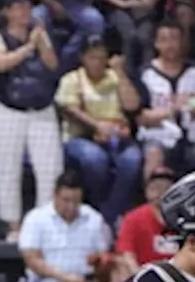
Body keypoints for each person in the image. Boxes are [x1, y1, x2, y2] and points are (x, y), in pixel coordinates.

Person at [0, 0, 63, 242]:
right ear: (7, 11)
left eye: (28, 6)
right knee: (8, 170)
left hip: (41, 110)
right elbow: (0, 63)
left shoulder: (39, 33)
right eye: (19, 6)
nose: (25, 11)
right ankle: (13, 226)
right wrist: (29, 47)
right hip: (8, 111)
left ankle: (43, 226)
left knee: (50, 170)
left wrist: (40, 43)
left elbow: (52, 65)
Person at [19, 170, 113, 282]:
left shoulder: (94, 219)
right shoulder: (37, 218)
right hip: (48, 279)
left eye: (75, 201)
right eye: (65, 200)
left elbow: (103, 255)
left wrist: (96, 271)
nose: (70, 206)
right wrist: (66, 278)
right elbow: (32, 259)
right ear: (55, 195)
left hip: (86, 281)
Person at [55, 35, 144, 224]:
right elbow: (69, 109)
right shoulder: (72, 79)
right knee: (95, 160)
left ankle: (107, 215)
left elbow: (132, 105)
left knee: (132, 159)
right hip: (81, 136)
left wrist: (120, 73)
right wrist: (97, 126)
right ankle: (104, 212)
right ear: (83, 57)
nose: (98, 62)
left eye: (102, 57)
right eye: (93, 57)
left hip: (116, 137)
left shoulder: (115, 77)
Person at [135, 20, 195, 183]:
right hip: (160, 138)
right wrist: (170, 111)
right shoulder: (145, 73)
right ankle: (153, 205)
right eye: (164, 40)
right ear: (156, 44)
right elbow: (140, 117)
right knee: (153, 153)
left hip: (193, 139)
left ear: (182, 42)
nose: (170, 45)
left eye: (174, 39)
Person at [116, 168, 179, 271]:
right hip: (143, 277)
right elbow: (127, 254)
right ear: (146, 191)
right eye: (155, 188)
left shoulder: (184, 218)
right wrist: (138, 278)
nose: (160, 193)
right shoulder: (133, 218)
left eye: (166, 188)